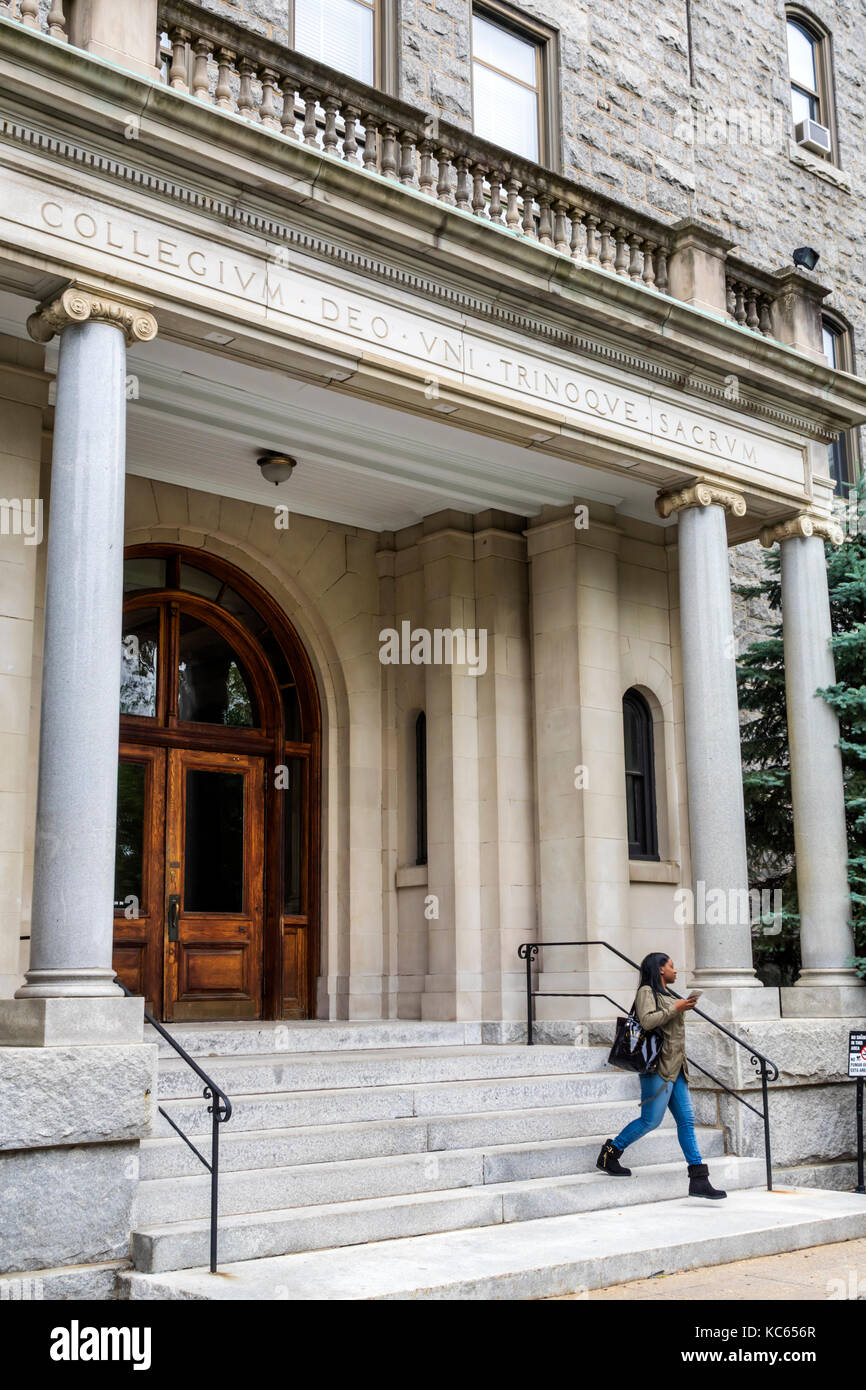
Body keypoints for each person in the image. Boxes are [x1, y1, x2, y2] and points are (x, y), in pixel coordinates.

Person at [595, 952, 727, 1199]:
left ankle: (699, 1179)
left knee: (687, 1120)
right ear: (659, 970)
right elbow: (646, 1022)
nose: (676, 971)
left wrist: (680, 1006)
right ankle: (610, 1153)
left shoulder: (668, 995)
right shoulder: (647, 992)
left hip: (677, 1067)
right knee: (650, 1121)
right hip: (657, 1067)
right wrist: (676, 1008)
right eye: (671, 966)